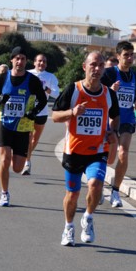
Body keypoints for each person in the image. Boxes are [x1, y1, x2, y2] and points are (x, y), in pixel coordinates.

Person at [52, 51, 120, 246]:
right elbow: (55, 116)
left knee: (95, 185)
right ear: (85, 67)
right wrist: (73, 112)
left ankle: (88, 217)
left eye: (100, 65)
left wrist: (113, 131)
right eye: (93, 65)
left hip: (97, 151)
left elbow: (116, 116)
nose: (97, 69)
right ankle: (68, 227)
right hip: (73, 151)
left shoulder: (108, 94)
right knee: (72, 194)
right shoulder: (73, 90)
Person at [0, 47, 47, 207]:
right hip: (5, 125)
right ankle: (4, 193)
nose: (20, 61)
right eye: (17, 58)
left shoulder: (32, 80)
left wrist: (33, 112)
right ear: (11, 60)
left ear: (26, 61)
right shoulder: (2, 78)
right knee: (4, 160)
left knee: (17, 167)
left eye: (23, 58)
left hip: (23, 127)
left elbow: (42, 100)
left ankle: (16, 166)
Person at [101, 40, 136, 208]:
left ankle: (115, 191)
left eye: (132, 55)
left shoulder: (135, 75)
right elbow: (97, 92)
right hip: (111, 118)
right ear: (118, 57)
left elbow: (135, 95)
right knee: (108, 158)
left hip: (128, 118)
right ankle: (99, 187)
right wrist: (111, 89)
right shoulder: (109, 73)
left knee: (123, 153)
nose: (130, 58)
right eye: (126, 55)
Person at [21, 53, 59, 176]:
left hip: (42, 111)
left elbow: (57, 94)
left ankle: (25, 157)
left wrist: (47, 89)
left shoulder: (50, 77)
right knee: (27, 137)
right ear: (34, 62)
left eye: (44, 61)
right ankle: (27, 161)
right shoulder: (27, 73)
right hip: (27, 110)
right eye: (39, 61)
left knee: (35, 139)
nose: (41, 63)